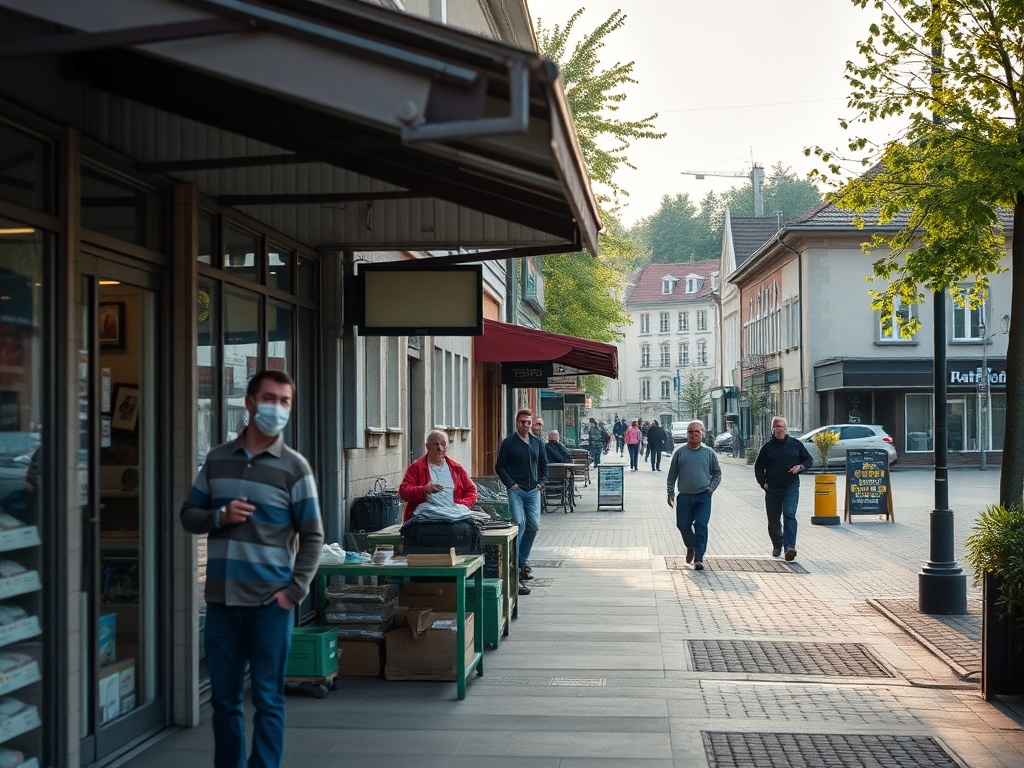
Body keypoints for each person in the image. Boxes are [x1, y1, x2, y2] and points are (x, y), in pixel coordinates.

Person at [180, 370, 323, 768]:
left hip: (269, 606)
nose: (277, 408)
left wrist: (293, 592)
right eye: (270, 398)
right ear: (249, 402)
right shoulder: (217, 460)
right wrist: (219, 517)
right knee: (224, 703)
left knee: (268, 701)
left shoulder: (294, 468)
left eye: (285, 401)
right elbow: (188, 515)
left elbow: (312, 537)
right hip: (222, 604)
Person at [495, 409, 548, 595]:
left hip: (533, 490)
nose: (524, 425)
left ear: (531, 424)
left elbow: (543, 465)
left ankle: (522, 561)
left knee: (533, 526)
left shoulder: (537, 442)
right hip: (516, 491)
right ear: (516, 423)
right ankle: (515, 568)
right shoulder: (509, 442)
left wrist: (541, 483)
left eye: (527, 422)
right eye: (521, 422)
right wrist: (511, 484)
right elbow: (499, 466)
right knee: (519, 524)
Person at [754, 415, 813, 561]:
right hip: (773, 488)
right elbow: (758, 467)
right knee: (773, 519)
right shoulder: (767, 448)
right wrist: (763, 483)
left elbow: (808, 459)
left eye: (781, 426)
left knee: (789, 514)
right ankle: (777, 543)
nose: (778, 429)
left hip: (790, 487)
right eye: (776, 426)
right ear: (772, 429)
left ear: (786, 428)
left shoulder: (795, 444)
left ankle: (789, 547)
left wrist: (800, 467)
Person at [666, 421, 721, 571]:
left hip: (703, 496)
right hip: (684, 496)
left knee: (701, 525)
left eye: (697, 431)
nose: (693, 434)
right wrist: (670, 492)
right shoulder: (680, 452)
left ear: (702, 433)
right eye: (690, 431)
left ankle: (699, 558)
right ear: (687, 434)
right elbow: (672, 474)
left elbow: (717, 473)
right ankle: (690, 546)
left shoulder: (709, 453)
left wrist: (711, 489)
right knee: (682, 525)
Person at [399, 429, 477, 521]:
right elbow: (403, 492)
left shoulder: (457, 468)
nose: (440, 448)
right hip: (425, 519)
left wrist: (464, 504)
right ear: (427, 447)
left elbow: (472, 490)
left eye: (443, 444)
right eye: (436, 444)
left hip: (454, 516)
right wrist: (423, 490)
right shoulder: (416, 468)